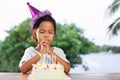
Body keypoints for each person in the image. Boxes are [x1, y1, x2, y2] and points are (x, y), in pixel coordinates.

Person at [19, 2, 70, 74]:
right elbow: (23, 69)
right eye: (42, 32)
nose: (46, 35)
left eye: (50, 32)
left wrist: (51, 52)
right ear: (35, 32)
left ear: (54, 34)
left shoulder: (58, 51)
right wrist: (41, 53)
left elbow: (67, 69)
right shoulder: (30, 51)